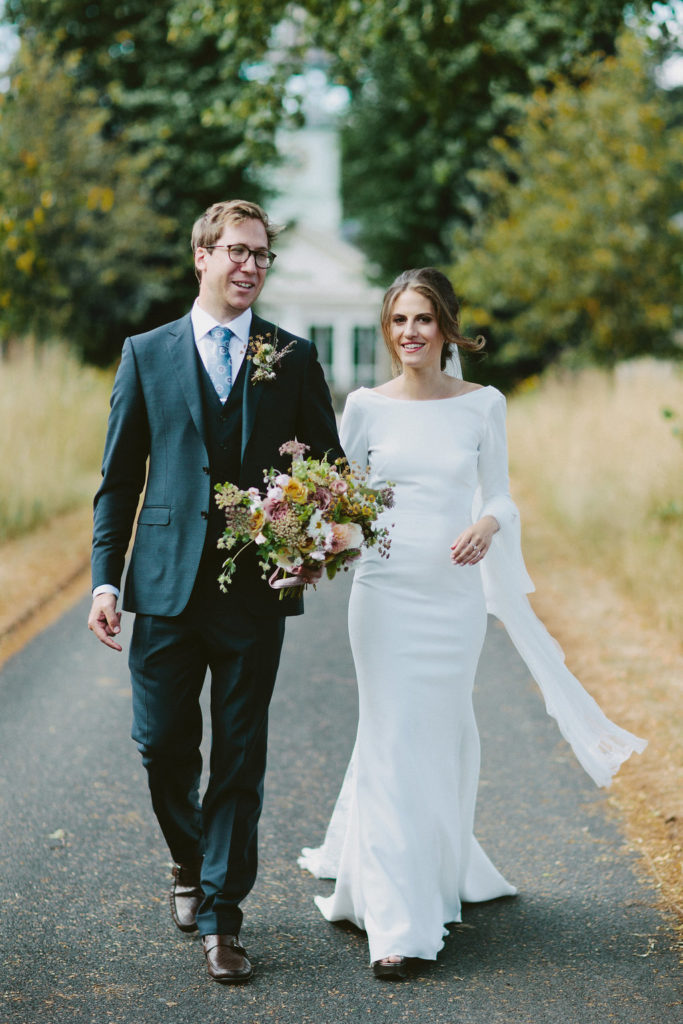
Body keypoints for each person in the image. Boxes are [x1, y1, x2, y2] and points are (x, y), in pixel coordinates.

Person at [299, 267, 646, 979]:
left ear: (446, 326)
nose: (409, 333)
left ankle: (439, 865)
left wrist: (488, 524)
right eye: (398, 321)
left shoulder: (482, 405)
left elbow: (502, 497)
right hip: (384, 596)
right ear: (387, 330)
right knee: (391, 738)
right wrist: (315, 537)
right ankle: (399, 925)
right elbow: (346, 506)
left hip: (452, 602)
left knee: (438, 734)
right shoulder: (363, 406)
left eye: (422, 319)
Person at [88, 199, 342, 984]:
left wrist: (305, 552)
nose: (249, 266)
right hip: (162, 587)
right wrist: (103, 577)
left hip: (252, 595)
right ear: (200, 257)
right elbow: (118, 480)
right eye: (236, 251)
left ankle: (223, 920)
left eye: (261, 255)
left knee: (238, 757)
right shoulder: (146, 353)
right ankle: (189, 861)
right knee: (161, 743)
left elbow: (325, 475)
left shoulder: (291, 358)